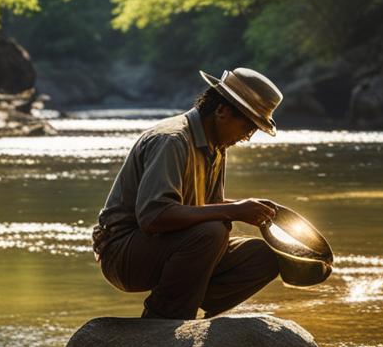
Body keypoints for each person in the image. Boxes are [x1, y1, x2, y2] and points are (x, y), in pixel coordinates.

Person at [92, 68, 283, 319]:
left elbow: (205, 206)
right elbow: (154, 216)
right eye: (248, 126)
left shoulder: (216, 145)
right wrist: (235, 210)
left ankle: (187, 301)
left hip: (168, 244)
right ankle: (163, 318)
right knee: (212, 231)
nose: (247, 137)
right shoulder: (172, 140)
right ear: (222, 111)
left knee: (266, 256)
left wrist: (245, 207)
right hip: (122, 252)